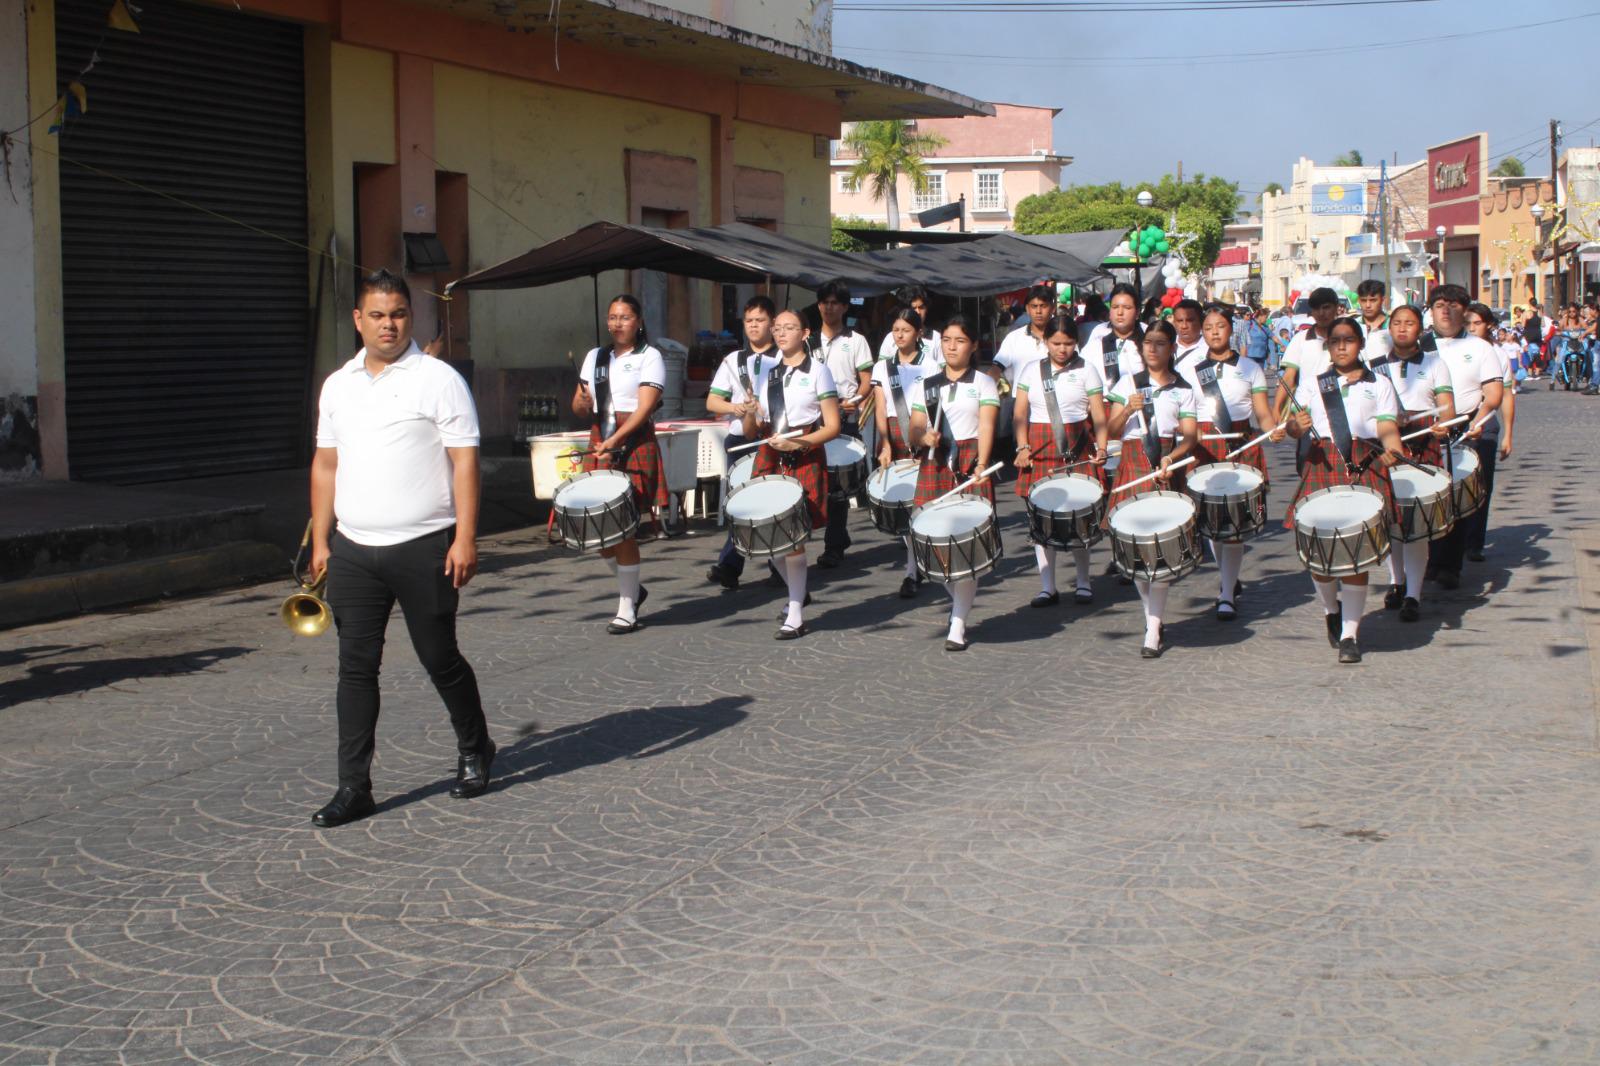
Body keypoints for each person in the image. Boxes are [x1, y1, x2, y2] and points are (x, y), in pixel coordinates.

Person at [307, 269, 494, 828]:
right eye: (378, 315)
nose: (389, 325)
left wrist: (464, 535)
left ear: (411, 318)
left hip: (425, 546)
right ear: (358, 320)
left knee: (439, 656)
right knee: (355, 668)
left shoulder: (438, 379)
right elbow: (325, 464)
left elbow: (465, 461)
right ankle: (353, 786)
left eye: (399, 314)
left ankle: (475, 747)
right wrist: (321, 539)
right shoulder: (338, 384)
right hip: (354, 550)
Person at [1283, 315, 1405, 664]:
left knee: (1357, 552)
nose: (1341, 346)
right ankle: (1330, 608)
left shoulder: (1379, 383)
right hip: (1323, 464)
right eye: (1334, 340)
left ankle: (1351, 634)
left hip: (1363, 465)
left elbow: (1386, 428)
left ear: (1360, 344)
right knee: (1319, 556)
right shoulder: (1312, 384)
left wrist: (1393, 449)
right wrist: (1295, 426)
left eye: (1348, 339)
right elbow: (1292, 426)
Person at [728, 309, 843, 639]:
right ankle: (798, 592)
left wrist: (800, 444)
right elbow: (753, 431)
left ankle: (795, 612)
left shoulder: (819, 372)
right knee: (770, 536)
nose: (780, 333)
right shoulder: (767, 372)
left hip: (803, 451)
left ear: (805, 333)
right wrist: (749, 414)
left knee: (793, 538)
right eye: (777, 328)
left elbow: (832, 426)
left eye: (788, 327)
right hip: (770, 452)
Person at [573, 294, 667, 634]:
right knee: (598, 530)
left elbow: (644, 409)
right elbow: (580, 406)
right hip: (601, 438)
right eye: (612, 317)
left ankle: (627, 606)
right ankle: (634, 589)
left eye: (625, 317)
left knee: (623, 527)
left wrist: (617, 439)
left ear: (638, 321)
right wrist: (583, 403)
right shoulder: (595, 357)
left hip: (633, 438)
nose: (617, 323)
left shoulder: (650, 356)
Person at [1181, 305, 1282, 620]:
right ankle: (1229, 578)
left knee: (1234, 523)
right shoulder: (1188, 369)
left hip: (1240, 442)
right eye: (1208, 326)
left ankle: (1226, 592)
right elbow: (1183, 413)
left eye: (1220, 326)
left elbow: (1262, 414)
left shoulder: (1251, 368)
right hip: (1204, 446)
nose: (1214, 332)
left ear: (1231, 329)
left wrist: (1274, 430)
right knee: (1211, 523)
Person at [1105, 319, 1198, 658]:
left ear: (1172, 348)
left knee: (1159, 554)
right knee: (1137, 553)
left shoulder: (1184, 388)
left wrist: (1171, 458)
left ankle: (1153, 627)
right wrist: (1128, 408)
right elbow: (1112, 431)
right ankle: (1153, 619)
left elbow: (1190, 437)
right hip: (1133, 462)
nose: (1153, 349)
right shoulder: (1127, 383)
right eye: (1148, 343)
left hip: (1165, 468)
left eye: (1161, 343)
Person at [907, 315, 999, 650]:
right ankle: (959, 606)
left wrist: (983, 463)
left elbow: (987, 424)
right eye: (946, 339)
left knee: (966, 546)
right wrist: (923, 436)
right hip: (935, 465)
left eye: (959, 340)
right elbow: (913, 429)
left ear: (973, 345)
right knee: (932, 543)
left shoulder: (984, 382)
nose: (951, 347)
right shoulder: (927, 383)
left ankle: (958, 622)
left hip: (970, 461)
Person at [1366, 304, 1454, 621]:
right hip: (1386, 442)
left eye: (1410, 323)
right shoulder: (1373, 366)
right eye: (1397, 323)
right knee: (1391, 518)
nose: (1403, 328)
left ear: (1420, 329)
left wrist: (1444, 421)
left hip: (1422, 439)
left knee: (1416, 522)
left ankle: (1414, 594)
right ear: (1390, 328)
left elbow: (1446, 405)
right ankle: (1396, 581)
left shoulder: (1435, 364)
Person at [1013, 317, 1109, 606]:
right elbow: (1019, 413)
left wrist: (1102, 447)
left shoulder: (1087, 370)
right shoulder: (1031, 370)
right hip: (1040, 444)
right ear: (1046, 342)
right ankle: (1047, 586)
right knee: (1042, 519)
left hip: (1077, 445)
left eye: (1068, 343)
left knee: (1079, 517)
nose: (1062, 349)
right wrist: (1022, 446)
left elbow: (1098, 414)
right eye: (1056, 343)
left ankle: (1083, 582)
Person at [1426, 285, 1504, 587]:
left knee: (1457, 500)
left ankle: (1450, 565)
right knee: (1427, 499)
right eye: (1440, 304)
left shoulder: (1481, 348)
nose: (1446, 310)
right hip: (1425, 431)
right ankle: (1427, 561)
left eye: (1454, 305)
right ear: (1431, 310)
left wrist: (1479, 419)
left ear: (1465, 310)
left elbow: (1493, 394)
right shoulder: (1418, 345)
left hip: (1464, 428)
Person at [705, 296, 780, 591]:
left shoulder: (784, 357)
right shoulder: (733, 360)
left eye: (759, 320)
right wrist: (734, 408)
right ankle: (730, 566)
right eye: (748, 320)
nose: (753, 326)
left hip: (771, 437)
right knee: (740, 504)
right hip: (739, 439)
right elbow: (713, 400)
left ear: (772, 324)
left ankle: (779, 565)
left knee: (772, 504)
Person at [873, 305, 942, 598]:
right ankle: (913, 566)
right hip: (894, 435)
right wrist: (885, 443)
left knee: (922, 502)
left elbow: (934, 407)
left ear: (919, 333)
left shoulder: (931, 365)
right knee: (904, 502)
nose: (900, 335)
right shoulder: (882, 367)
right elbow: (879, 408)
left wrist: (926, 439)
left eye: (906, 330)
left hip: (922, 434)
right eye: (896, 330)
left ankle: (920, 566)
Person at [813, 280, 875, 570]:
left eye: (835, 302)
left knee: (838, 486)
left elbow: (866, 382)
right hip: (813, 421)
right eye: (825, 302)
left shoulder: (856, 340)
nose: (829, 307)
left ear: (845, 307)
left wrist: (855, 400)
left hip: (845, 417)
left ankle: (834, 544)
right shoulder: (808, 340)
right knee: (815, 482)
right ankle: (835, 536)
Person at [1462, 301, 1514, 562]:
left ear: (1488, 325)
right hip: (1458, 420)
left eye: (1477, 323)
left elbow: (1505, 395)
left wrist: (1508, 434)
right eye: (1467, 323)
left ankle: (1475, 542)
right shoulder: (1455, 349)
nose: (1472, 328)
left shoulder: (1498, 354)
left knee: (1482, 484)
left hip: (1487, 423)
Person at [1275, 287, 1341, 474]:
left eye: (1327, 307)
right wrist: (1276, 410)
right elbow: (1288, 377)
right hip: (1308, 413)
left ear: (1337, 308)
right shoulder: (1301, 339)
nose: (1322, 313)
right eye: (1317, 308)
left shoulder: (1347, 337)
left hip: (1343, 410)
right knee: (1308, 468)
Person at [877, 285, 940, 359]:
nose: (918, 312)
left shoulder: (936, 337)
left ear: (926, 309)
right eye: (913, 308)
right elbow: (882, 368)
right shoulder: (891, 337)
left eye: (921, 307)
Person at [1356, 279, 1391, 360]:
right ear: (1359, 301)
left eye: (1373, 300)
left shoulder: (1393, 325)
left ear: (1383, 300)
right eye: (1364, 300)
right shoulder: (1352, 325)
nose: (1368, 305)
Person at [1170, 298, 1207, 373]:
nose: (1184, 326)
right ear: (1174, 322)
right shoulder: (1166, 346)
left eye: (1190, 320)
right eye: (1180, 321)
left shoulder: (1210, 349)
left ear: (1201, 321)